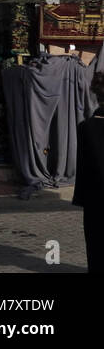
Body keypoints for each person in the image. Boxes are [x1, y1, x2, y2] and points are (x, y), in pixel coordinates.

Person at [74, 70, 104, 271]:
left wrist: (81, 198)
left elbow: (83, 168)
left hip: (96, 200)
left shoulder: (86, 127)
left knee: (96, 247)